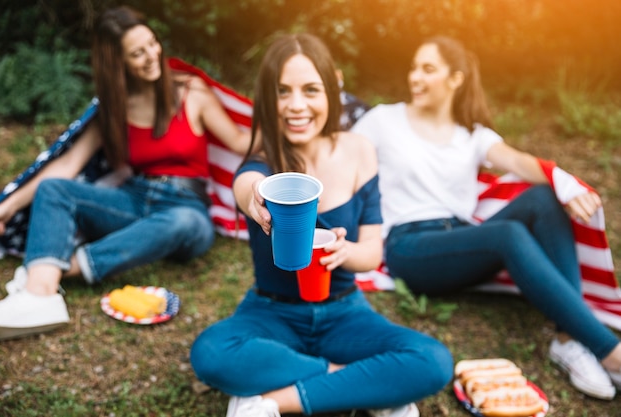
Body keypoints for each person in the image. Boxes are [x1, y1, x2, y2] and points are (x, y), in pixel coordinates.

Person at [189, 33, 452, 417]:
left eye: (311, 90)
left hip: (345, 313)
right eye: (282, 92)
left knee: (433, 360)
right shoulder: (265, 158)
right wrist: (257, 196)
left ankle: (272, 400)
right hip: (272, 313)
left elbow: (372, 253)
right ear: (267, 99)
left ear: (331, 90)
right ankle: (357, 383)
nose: (297, 106)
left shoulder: (359, 150)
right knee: (211, 353)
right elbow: (246, 187)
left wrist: (345, 252)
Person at [351, 35, 621, 400]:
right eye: (414, 68)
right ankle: (611, 352)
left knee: (543, 196)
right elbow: (337, 156)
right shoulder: (383, 120)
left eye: (428, 69)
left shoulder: (472, 136)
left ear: (456, 78)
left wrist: (562, 180)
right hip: (409, 246)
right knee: (506, 234)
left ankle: (568, 338)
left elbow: (518, 162)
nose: (415, 77)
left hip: (462, 243)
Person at [0, 6, 251, 341]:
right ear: (119, 64)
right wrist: (5, 208)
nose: (152, 56)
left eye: (152, 44)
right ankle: (40, 296)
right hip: (135, 198)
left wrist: (294, 128)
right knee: (56, 189)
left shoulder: (191, 92)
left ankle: (47, 269)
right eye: (137, 53)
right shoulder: (112, 110)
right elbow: (68, 164)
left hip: (187, 208)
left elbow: (240, 140)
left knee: (181, 223)